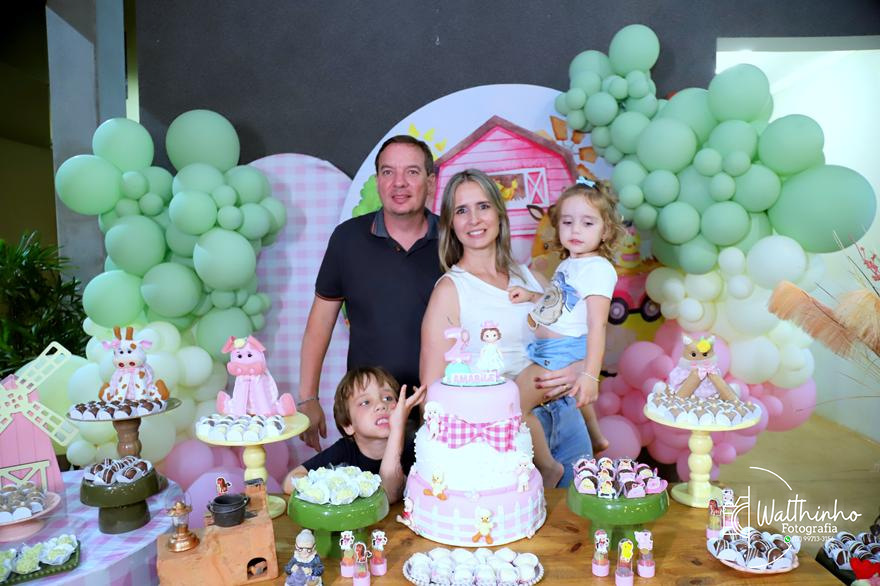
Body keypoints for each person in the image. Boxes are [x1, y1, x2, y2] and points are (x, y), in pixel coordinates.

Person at [420, 168, 591, 488]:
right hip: (505, 437)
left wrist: (578, 369)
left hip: (567, 418)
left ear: (499, 213)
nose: (474, 219)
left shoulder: (531, 279)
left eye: (483, 206)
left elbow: (573, 337)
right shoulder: (451, 290)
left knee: (584, 513)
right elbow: (433, 394)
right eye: (461, 210)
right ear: (450, 224)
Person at [297, 135, 441, 451]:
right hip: (369, 412)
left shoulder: (452, 242)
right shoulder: (348, 239)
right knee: (367, 484)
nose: (399, 183)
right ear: (378, 182)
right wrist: (308, 398)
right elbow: (319, 324)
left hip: (439, 409)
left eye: (412, 172)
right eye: (388, 172)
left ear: (430, 182)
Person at [508, 179, 625, 485]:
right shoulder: (569, 264)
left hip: (560, 355)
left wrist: (590, 375)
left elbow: (597, 325)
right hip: (550, 351)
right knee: (573, 398)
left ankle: (548, 466)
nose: (576, 230)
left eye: (587, 223)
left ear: (606, 230)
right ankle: (596, 437)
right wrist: (532, 296)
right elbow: (561, 304)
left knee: (512, 405)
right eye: (568, 222)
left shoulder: (598, 269)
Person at [283, 366, 425, 503]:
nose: (381, 405)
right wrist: (334, 490)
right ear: (348, 425)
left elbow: (389, 494)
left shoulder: (415, 448)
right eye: (365, 402)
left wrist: (397, 429)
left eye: (388, 398)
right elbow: (290, 481)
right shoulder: (343, 450)